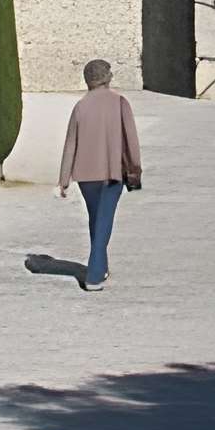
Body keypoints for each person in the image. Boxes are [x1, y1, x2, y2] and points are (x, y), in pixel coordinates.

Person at [53, 58, 142, 290]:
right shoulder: (120, 103)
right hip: (112, 173)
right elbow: (131, 141)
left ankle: (101, 265)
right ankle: (93, 275)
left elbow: (70, 143)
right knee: (104, 220)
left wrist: (64, 179)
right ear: (108, 77)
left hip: (85, 175)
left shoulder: (80, 107)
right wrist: (135, 168)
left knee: (97, 218)